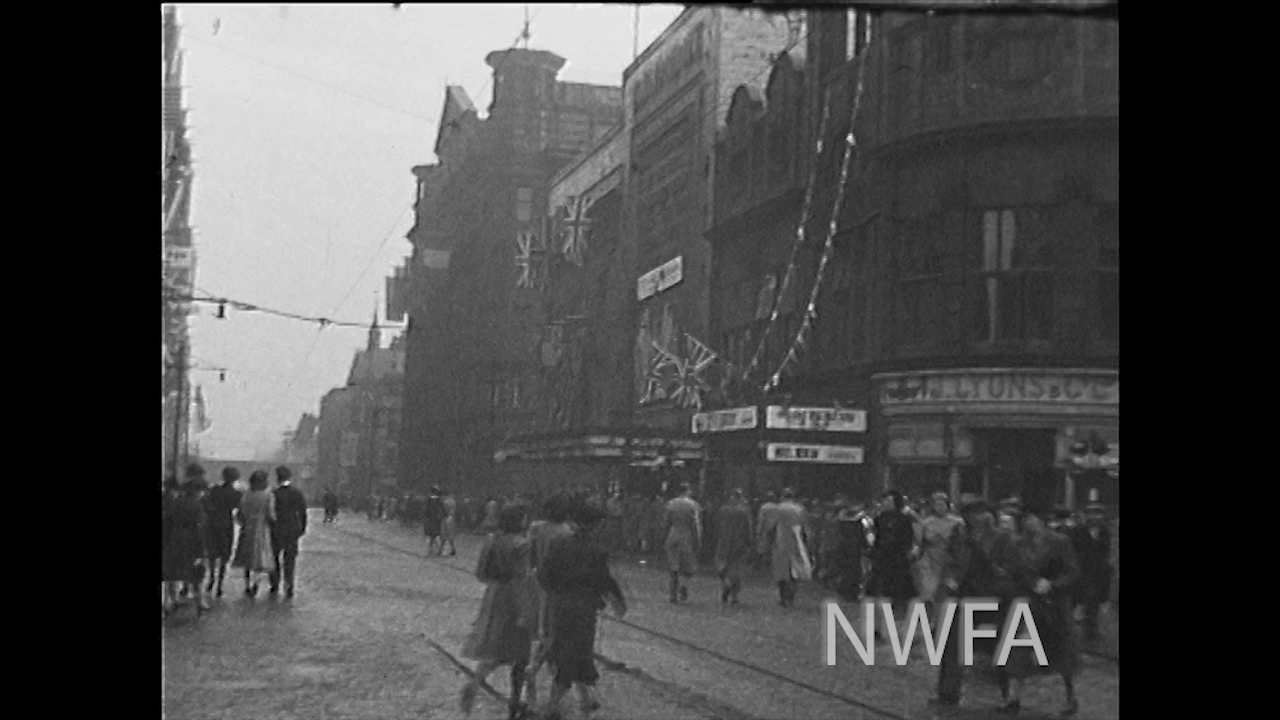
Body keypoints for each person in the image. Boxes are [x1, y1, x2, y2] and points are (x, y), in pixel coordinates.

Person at [537, 503, 627, 720]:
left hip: (560, 607)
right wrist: (618, 602)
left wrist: (556, 594)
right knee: (578, 652)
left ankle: (583, 699)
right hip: (584, 609)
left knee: (565, 651)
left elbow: (543, 575)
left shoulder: (559, 544)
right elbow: (604, 580)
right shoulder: (597, 550)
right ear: (596, 525)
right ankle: (554, 705)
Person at [997, 501, 1082, 717]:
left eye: (1033, 518)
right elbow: (1015, 569)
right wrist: (1030, 582)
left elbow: (1072, 571)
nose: (1029, 522)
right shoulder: (1018, 544)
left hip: (1056, 603)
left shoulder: (1060, 542)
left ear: (1042, 520)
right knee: (1018, 647)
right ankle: (1014, 697)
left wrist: (1053, 585)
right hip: (1028, 600)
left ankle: (1070, 696)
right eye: (1026, 519)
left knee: (1062, 650)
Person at [932, 497, 1016, 710]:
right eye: (969, 513)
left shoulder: (1000, 538)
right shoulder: (959, 535)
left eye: (979, 513)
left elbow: (1007, 568)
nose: (973, 518)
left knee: (1001, 648)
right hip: (962, 596)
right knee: (953, 645)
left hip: (992, 598)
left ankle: (1010, 696)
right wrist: (949, 579)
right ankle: (948, 693)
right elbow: (950, 559)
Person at [459, 505, 536, 720]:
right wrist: (525, 611)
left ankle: (474, 683)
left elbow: (481, 573)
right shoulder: (522, 545)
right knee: (520, 656)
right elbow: (523, 577)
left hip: (494, 596)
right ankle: (514, 705)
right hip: (515, 597)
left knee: (496, 648)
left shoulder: (491, 540)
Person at [525, 494, 576, 706]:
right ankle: (536, 669)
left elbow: (530, 555)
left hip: (537, 580)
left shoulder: (537, 528)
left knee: (544, 631)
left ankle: (541, 670)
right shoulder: (567, 532)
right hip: (558, 586)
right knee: (555, 632)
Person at [866, 490, 917, 638]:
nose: (885, 504)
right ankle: (878, 628)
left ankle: (903, 631)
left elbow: (907, 540)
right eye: (884, 501)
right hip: (881, 562)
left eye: (889, 501)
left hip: (899, 563)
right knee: (878, 596)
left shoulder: (904, 520)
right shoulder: (879, 519)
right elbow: (875, 539)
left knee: (901, 598)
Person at [162, 469, 211, 616]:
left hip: (173, 541)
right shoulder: (198, 507)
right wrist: (201, 551)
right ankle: (200, 602)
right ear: (198, 491)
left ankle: (171, 601)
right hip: (190, 543)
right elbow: (199, 530)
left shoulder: (175, 503)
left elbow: (166, 523)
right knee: (196, 573)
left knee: (172, 573)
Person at [761, 488, 811, 607]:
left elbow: (771, 527)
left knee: (782, 571)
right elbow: (806, 528)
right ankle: (791, 596)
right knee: (795, 570)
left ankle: (784, 597)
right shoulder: (800, 509)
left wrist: (767, 542)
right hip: (797, 543)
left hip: (781, 542)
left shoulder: (779, 509)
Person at [914, 491, 962, 616]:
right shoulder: (926, 523)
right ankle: (931, 616)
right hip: (930, 560)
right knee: (929, 590)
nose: (940, 507)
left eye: (943, 504)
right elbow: (919, 543)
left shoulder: (957, 522)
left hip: (950, 559)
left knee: (949, 589)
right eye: (937, 504)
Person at [1071, 502, 1112, 641]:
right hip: (1083, 571)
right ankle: (1087, 631)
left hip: (1099, 572)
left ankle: (1091, 632)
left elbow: (1105, 551)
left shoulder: (1104, 531)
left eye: (1097, 513)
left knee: (1094, 603)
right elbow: (1077, 551)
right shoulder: (1079, 530)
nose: (1094, 517)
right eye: (1091, 513)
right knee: (1085, 600)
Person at [232, 470, 277, 598]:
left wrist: (243, 522)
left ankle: (247, 585)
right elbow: (271, 514)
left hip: (247, 529)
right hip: (262, 529)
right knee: (260, 559)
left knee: (247, 559)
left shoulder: (246, 495)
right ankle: (256, 585)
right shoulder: (268, 495)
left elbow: (239, 513)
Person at [204, 467, 244, 598]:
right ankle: (220, 584)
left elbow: (206, 503)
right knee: (224, 555)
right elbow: (239, 510)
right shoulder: (236, 494)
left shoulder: (214, 490)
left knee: (212, 554)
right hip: (226, 524)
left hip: (212, 523)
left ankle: (211, 578)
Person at [268, 466, 307, 598]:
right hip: (292, 528)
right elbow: (303, 512)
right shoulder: (297, 493)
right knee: (290, 559)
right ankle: (289, 584)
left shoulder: (274, 493)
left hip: (276, 529)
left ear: (278, 478)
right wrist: (302, 528)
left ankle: (274, 583)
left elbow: (270, 513)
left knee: (274, 557)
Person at [713, 488, 753, 606]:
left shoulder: (723, 510)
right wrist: (750, 542)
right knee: (737, 569)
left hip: (724, 542)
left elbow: (716, 526)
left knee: (722, 566)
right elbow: (748, 529)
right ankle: (734, 595)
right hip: (739, 544)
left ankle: (726, 583)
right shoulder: (744, 511)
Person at [663, 483, 702, 603]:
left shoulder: (670, 504)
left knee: (673, 566)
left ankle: (673, 594)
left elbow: (665, 523)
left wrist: (664, 538)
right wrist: (698, 540)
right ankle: (683, 585)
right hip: (686, 535)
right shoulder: (693, 505)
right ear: (687, 491)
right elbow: (695, 525)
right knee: (689, 566)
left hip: (673, 533)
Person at [830, 502, 870, 602]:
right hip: (854, 549)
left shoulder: (841, 522)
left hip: (843, 548)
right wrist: (866, 547)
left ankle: (845, 591)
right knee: (854, 571)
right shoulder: (858, 523)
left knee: (845, 570)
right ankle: (852, 593)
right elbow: (862, 537)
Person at [425, 487, 446, 555]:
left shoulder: (430, 500)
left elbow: (427, 511)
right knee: (437, 534)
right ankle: (438, 549)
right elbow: (442, 510)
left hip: (431, 519)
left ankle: (431, 549)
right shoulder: (439, 501)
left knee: (431, 535)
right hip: (437, 520)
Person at [441, 488, 459, 556]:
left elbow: (444, 511)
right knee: (450, 534)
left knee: (444, 534)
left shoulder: (445, 502)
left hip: (446, 519)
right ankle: (452, 548)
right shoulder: (453, 501)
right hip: (452, 518)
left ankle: (441, 549)